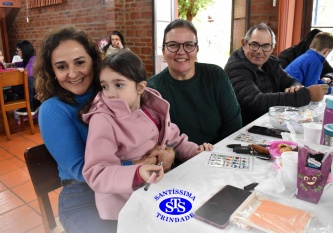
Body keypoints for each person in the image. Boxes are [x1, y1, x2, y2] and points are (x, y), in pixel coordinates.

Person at [81, 50, 212, 220]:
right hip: (124, 205)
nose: (110, 93)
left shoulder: (152, 109)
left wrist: (196, 152)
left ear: (140, 87)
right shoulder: (102, 119)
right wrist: (137, 173)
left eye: (118, 85)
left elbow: (175, 139)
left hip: (156, 190)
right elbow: (96, 172)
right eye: (104, 86)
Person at [34, 25, 120, 233]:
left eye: (80, 62)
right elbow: (82, 170)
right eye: (62, 67)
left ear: (94, 61)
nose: (73, 73)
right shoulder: (52, 110)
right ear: (52, 72)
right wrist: (137, 165)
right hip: (83, 196)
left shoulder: (110, 95)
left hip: (125, 185)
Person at [147, 19, 242, 146]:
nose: (181, 51)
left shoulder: (215, 75)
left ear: (197, 50)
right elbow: (155, 140)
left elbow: (234, 125)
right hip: (177, 163)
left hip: (218, 154)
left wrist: (213, 154)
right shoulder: (153, 89)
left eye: (189, 45)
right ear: (164, 51)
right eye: (173, 45)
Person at [224, 23, 329, 126]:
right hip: (243, 129)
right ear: (244, 44)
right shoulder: (236, 67)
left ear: (272, 48)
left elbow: (290, 81)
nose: (259, 51)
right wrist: (307, 95)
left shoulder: (270, 62)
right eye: (254, 45)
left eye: (266, 46)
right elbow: (256, 101)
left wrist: (295, 88)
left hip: (267, 122)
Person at [11, 40, 41, 113]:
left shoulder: (33, 59)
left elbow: (29, 73)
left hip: (36, 88)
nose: (17, 53)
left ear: (23, 50)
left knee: (20, 84)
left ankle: (31, 106)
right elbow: (20, 64)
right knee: (16, 86)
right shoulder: (29, 59)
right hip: (34, 88)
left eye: (18, 51)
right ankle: (29, 105)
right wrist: (10, 65)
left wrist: (23, 70)